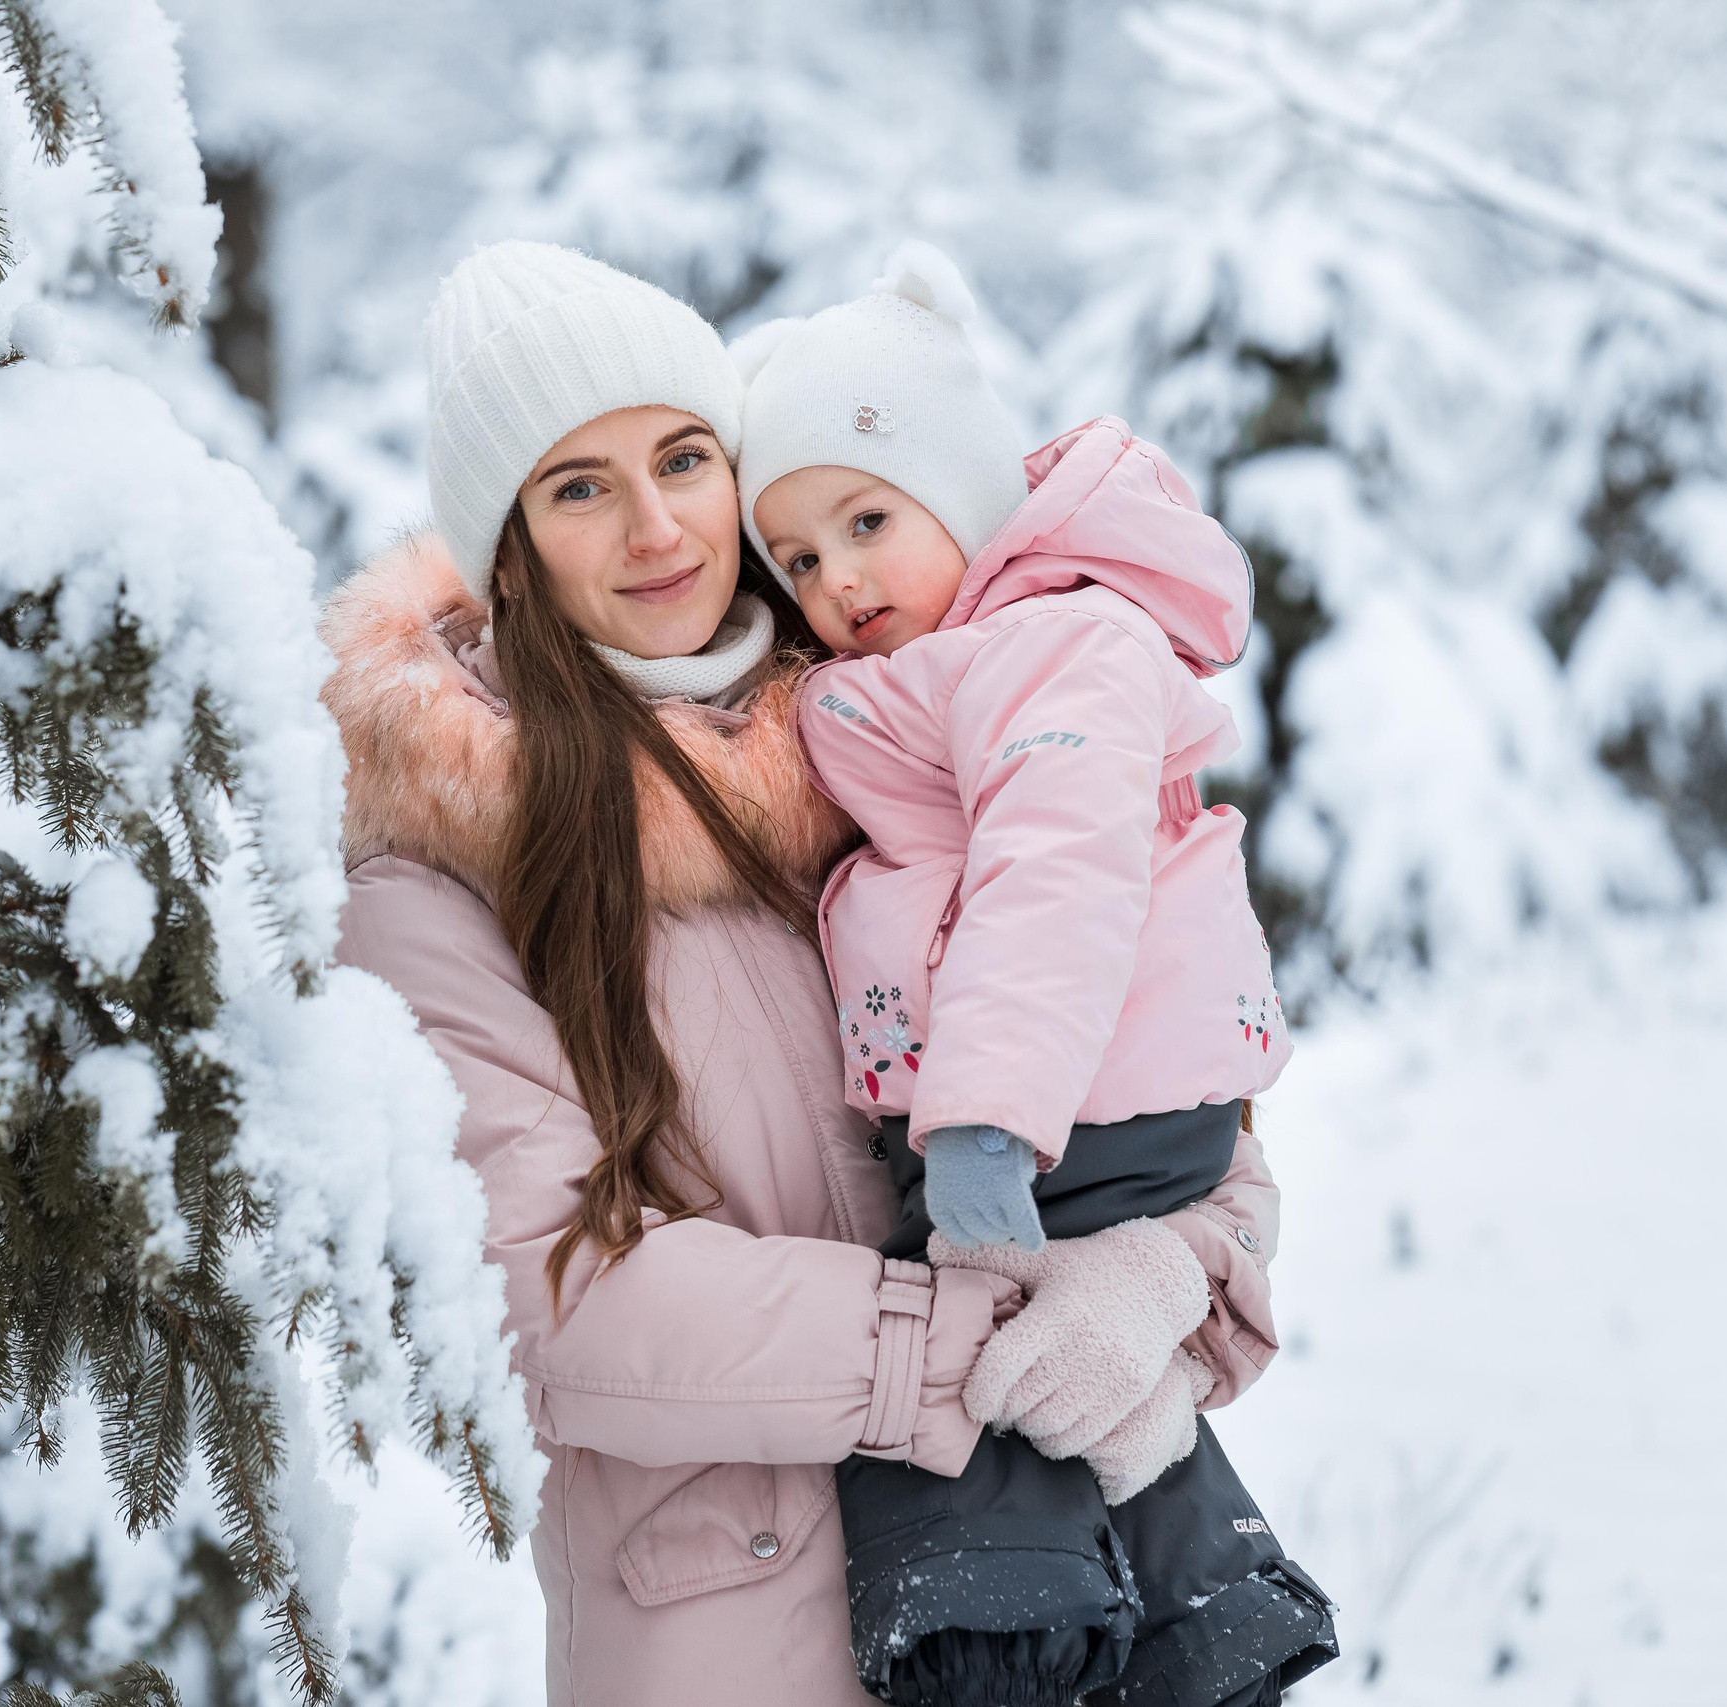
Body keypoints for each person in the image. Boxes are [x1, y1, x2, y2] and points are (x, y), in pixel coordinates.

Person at [322, 239, 1285, 1707]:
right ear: (508, 546)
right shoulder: (439, 872)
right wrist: (984, 1337)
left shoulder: (875, 735)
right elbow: (560, 1300)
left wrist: (1163, 1273)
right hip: (738, 1651)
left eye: (684, 459)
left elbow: (1167, 1070)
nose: (657, 528)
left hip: (1045, 1620)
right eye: (579, 487)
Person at [736, 244, 1336, 1705]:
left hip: (1069, 1114)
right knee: (1062, 1383)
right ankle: (1208, 1621)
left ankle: (1000, 1647)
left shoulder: (1053, 641)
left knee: (957, 1387)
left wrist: (985, 1124)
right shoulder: (971, 656)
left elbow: (1054, 880)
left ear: (963, 495)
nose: (838, 580)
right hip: (1079, 1106)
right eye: (799, 559)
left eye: (868, 521)